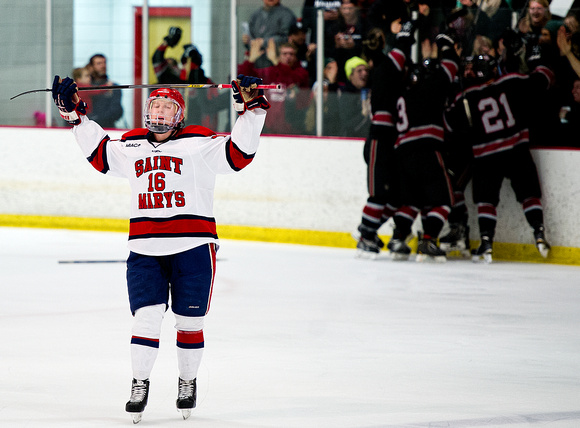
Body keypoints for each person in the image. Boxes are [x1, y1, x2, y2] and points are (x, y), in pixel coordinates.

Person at [50, 73, 270, 423]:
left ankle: (187, 381)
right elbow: (100, 154)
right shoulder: (132, 143)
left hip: (194, 247)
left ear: (179, 114)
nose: (161, 110)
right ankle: (140, 383)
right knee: (147, 319)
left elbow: (240, 154)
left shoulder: (200, 141)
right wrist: (75, 114)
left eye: (169, 105)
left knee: (190, 321)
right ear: (146, 111)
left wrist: (250, 108)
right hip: (145, 249)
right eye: (156, 104)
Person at [444, 54, 554, 263]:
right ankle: (539, 234)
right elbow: (545, 77)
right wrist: (536, 58)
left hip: (486, 155)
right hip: (516, 149)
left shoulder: (465, 97)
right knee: (529, 193)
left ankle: (486, 243)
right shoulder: (512, 81)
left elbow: (448, 126)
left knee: (486, 199)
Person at [389, 32, 460, 263]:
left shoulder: (402, 92)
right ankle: (428, 240)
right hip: (427, 150)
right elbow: (450, 67)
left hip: (402, 154)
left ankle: (398, 239)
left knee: (411, 200)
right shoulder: (431, 86)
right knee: (445, 199)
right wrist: (445, 44)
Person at [239, 41, 310, 134]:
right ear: (279, 55)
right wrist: (250, 61)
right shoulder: (270, 72)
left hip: (292, 129)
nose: (288, 56)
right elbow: (244, 78)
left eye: (291, 54)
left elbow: (291, 80)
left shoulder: (301, 72)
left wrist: (277, 63)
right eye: (284, 54)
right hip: (268, 128)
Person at [243, 0, 297, 68]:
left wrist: (264, 42)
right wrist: (247, 41)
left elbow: (287, 38)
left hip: (278, 66)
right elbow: (251, 39)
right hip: (258, 64)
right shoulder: (255, 15)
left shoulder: (287, 15)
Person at [337, 55, 371, 137]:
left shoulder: (369, 92)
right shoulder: (346, 95)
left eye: (366, 70)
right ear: (350, 75)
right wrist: (363, 115)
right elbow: (347, 126)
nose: (365, 73)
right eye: (359, 71)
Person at [87, 53, 124, 128]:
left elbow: (116, 111)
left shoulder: (113, 86)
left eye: (104, 63)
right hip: (87, 128)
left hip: (108, 128)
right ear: (91, 67)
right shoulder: (85, 87)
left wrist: (96, 119)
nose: (103, 66)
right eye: (99, 63)